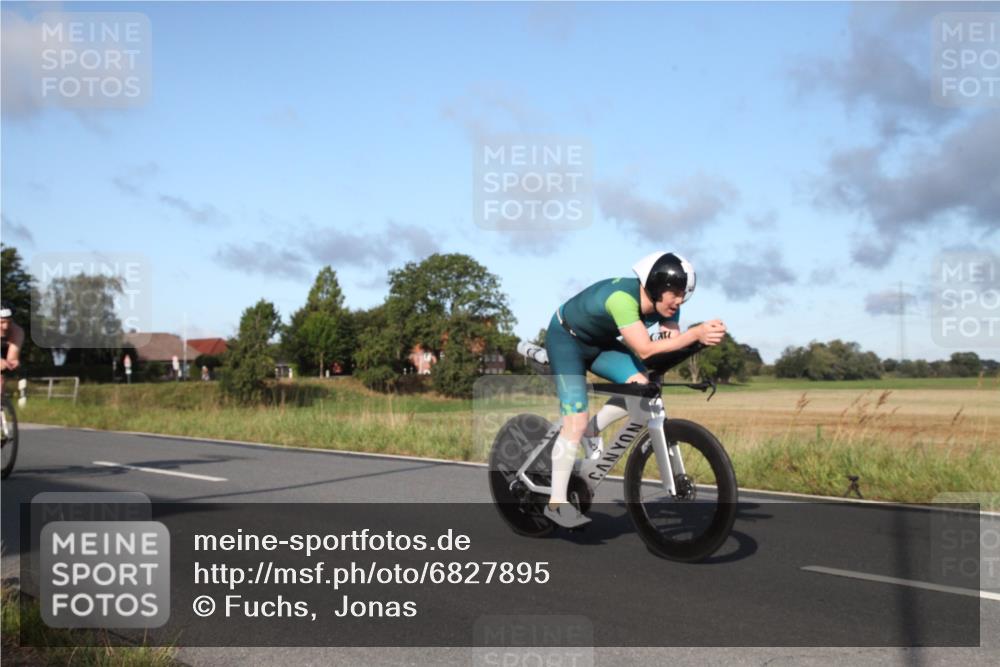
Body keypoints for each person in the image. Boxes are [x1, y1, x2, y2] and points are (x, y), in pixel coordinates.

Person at [542, 252, 727, 528]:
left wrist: (697, 342)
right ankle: (556, 503)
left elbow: (665, 352)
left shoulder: (668, 307)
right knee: (574, 421)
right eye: (675, 293)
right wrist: (694, 334)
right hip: (565, 340)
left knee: (643, 386)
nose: (679, 301)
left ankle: (592, 430)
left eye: (684, 295)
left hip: (600, 343)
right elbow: (645, 348)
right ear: (654, 285)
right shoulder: (622, 299)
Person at [0, 303, 26, 394]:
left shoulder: (17, 331)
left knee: (1, 378)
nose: (6, 327)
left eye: (9, 322)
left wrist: (11, 362)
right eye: (2, 322)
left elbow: (12, 358)